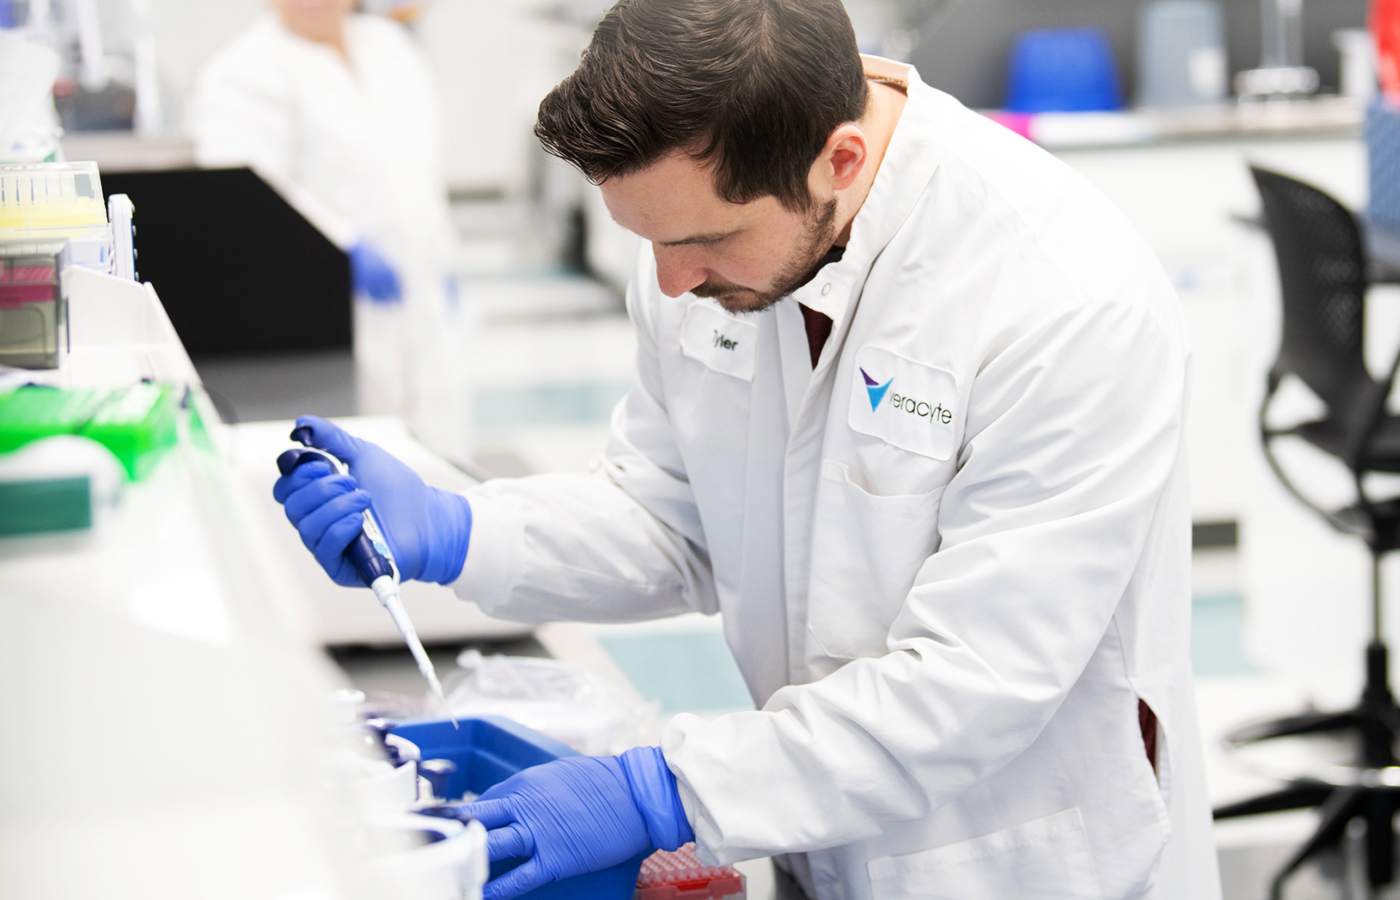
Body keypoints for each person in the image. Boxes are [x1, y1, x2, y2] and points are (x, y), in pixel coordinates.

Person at [273, 1, 1222, 897]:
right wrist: (460, 528)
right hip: (811, 832)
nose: (671, 281)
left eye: (704, 241)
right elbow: (672, 513)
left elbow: (977, 679)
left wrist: (668, 793)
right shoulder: (702, 249)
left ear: (839, 160)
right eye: (646, 239)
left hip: (1010, 858)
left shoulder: (1060, 298)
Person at [192, 0, 470, 464]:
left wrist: (441, 257)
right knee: (353, 463)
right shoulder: (242, 73)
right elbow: (245, 203)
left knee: (440, 453)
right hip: (320, 307)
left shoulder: (390, 48)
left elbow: (418, 173)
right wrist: (342, 247)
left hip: (422, 297)